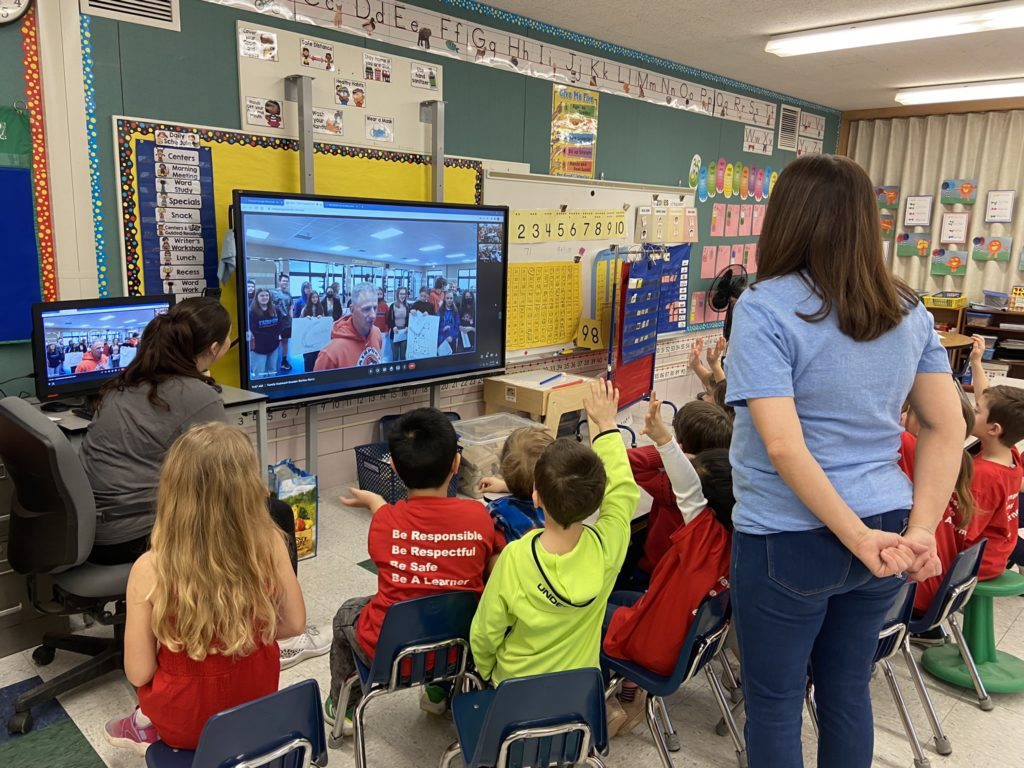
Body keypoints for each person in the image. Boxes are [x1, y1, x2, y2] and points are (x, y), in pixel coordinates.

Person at [724, 154, 964, 768]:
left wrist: (855, 536)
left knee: (775, 702)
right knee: (847, 687)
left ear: (785, 220)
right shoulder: (907, 310)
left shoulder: (765, 306)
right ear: (866, 223)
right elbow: (947, 425)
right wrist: (917, 529)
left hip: (791, 534)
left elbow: (782, 445)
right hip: (883, 524)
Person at [103, 423, 306, 754]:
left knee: (160, 683)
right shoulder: (270, 542)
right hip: (256, 707)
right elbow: (295, 624)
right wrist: (245, 634)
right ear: (247, 489)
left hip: (184, 724)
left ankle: (145, 724)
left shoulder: (149, 569)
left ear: (172, 493)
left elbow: (138, 672)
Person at [325, 409, 497, 730]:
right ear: (456, 465)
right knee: (451, 604)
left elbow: (391, 524)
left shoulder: (385, 523)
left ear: (394, 468)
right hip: (459, 648)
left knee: (347, 613)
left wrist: (376, 503)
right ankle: (437, 691)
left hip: (392, 654)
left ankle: (343, 706)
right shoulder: (479, 516)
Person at [470, 380, 640, 688]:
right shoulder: (608, 549)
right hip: (576, 692)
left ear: (536, 496)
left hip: (514, 690)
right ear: (597, 499)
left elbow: (486, 632)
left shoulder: (515, 558)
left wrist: (487, 671)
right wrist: (607, 424)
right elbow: (624, 493)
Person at [603, 394, 735, 735]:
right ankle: (626, 692)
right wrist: (667, 442)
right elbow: (692, 491)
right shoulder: (736, 538)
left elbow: (687, 490)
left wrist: (666, 443)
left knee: (584, 609)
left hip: (655, 647)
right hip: (687, 640)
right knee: (615, 598)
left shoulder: (702, 540)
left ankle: (598, 698)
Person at [898, 391, 977, 631]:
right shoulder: (960, 459)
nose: (900, 417)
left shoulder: (906, 442)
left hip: (912, 592)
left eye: (907, 412)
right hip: (939, 586)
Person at [630, 400, 733, 576]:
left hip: (657, 568)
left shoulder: (672, 484)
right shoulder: (725, 480)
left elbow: (627, 461)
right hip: (693, 572)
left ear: (681, 443)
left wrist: (669, 448)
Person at [964, 336, 1024, 581]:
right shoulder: (1010, 455)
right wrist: (976, 363)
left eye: (976, 411)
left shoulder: (984, 475)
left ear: (994, 429)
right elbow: (988, 403)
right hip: (996, 553)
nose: (972, 411)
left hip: (979, 562)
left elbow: (965, 533)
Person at [477, 427, 554, 546]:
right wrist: (505, 486)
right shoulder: (559, 506)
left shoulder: (497, 511)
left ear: (503, 469)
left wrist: (511, 484)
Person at [314, 282, 383, 370]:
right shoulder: (329, 354)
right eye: (366, 309)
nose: (373, 315)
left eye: (375, 308)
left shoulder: (376, 333)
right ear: (352, 310)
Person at [248, 288, 282, 378]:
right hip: (258, 348)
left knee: (272, 372)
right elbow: (252, 329)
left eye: (267, 295)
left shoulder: (276, 310)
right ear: (257, 297)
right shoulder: (251, 312)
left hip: (274, 346)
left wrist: (274, 336)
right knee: (259, 374)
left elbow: (280, 325)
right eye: (262, 295)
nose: (265, 297)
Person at [270, 273, 294, 371]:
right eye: (283, 281)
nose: (285, 283)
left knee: (285, 341)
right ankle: (271, 363)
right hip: (276, 322)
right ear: (279, 281)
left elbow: (291, 307)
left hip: (287, 322)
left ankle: (284, 361)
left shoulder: (289, 294)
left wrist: (292, 318)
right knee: (274, 342)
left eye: (286, 281)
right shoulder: (273, 293)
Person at [386, 286, 410, 361]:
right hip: (395, 333)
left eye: (404, 294)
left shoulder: (408, 306)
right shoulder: (392, 306)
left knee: (403, 356)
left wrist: (407, 326)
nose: (403, 296)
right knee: (395, 356)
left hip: (404, 333)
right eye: (401, 294)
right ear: (397, 294)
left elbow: (409, 319)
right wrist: (393, 327)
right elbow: (388, 320)